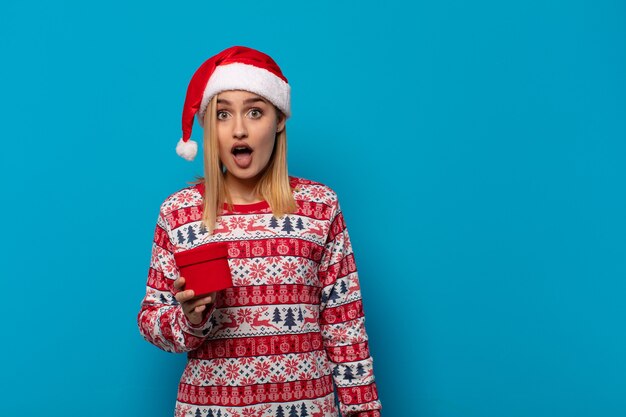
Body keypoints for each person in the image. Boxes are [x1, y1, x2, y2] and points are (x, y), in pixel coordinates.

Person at [137, 45, 382, 417]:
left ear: (279, 119)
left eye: (255, 112)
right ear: (208, 126)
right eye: (222, 114)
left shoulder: (320, 206)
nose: (238, 129)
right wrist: (190, 319)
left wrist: (362, 412)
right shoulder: (179, 213)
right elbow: (151, 320)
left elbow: (345, 327)